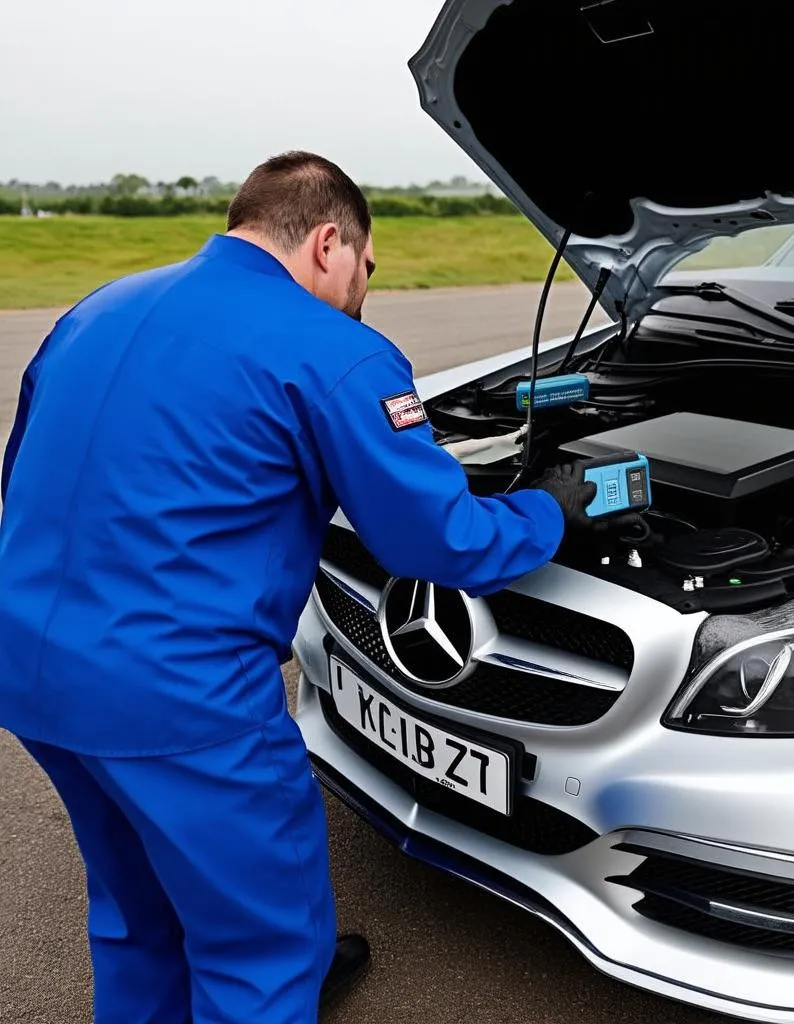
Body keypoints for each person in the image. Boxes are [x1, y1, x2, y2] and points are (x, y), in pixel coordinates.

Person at [0, 151, 601, 1024]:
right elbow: (439, 541)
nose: (364, 291)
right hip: (182, 705)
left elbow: (23, 479)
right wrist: (553, 510)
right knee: (260, 953)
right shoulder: (335, 352)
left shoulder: (96, 309)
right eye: (365, 268)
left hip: (33, 672)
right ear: (329, 242)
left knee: (135, 912)